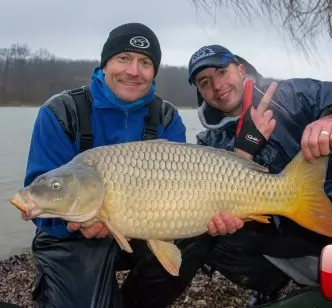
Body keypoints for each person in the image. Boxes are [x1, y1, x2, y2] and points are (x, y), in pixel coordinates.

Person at [187, 44, 332, 307]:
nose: (217, 85)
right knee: (208, 240)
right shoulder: (207, 141)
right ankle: (268, 286)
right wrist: (243, 150)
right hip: (267, 226)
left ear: (241, 70)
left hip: (326, 204)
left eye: (222, 72)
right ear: (201, 92)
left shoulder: (293, 96)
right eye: (205, 82)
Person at [22, 23, 213, 308]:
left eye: (145, 63)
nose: (133, 71)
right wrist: (75, 225)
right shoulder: (60, 112)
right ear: (106, 63)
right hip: (72, 235)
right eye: (124, 58)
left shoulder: (167, 117)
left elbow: (182, 190)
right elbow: (42, 198)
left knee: (198, 234)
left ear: (154, 72)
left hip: (142, 224)